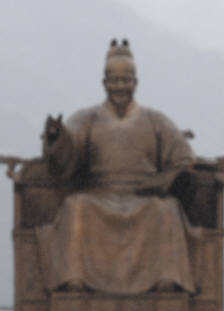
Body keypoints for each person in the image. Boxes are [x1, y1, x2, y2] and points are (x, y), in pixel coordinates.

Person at [37, 39, 197, 294]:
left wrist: (166, 178)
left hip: (144, 196)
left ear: (136, 82)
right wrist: (57, 137)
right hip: (99, 194)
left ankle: (166, 282)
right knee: (75, 207)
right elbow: (70, 147)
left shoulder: (156, 120)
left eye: (126, 81)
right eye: (114, 81)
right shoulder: (87, 118)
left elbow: (183, 156)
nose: (120, 87)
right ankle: (75, 281)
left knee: (166, 210)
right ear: (104, 83)